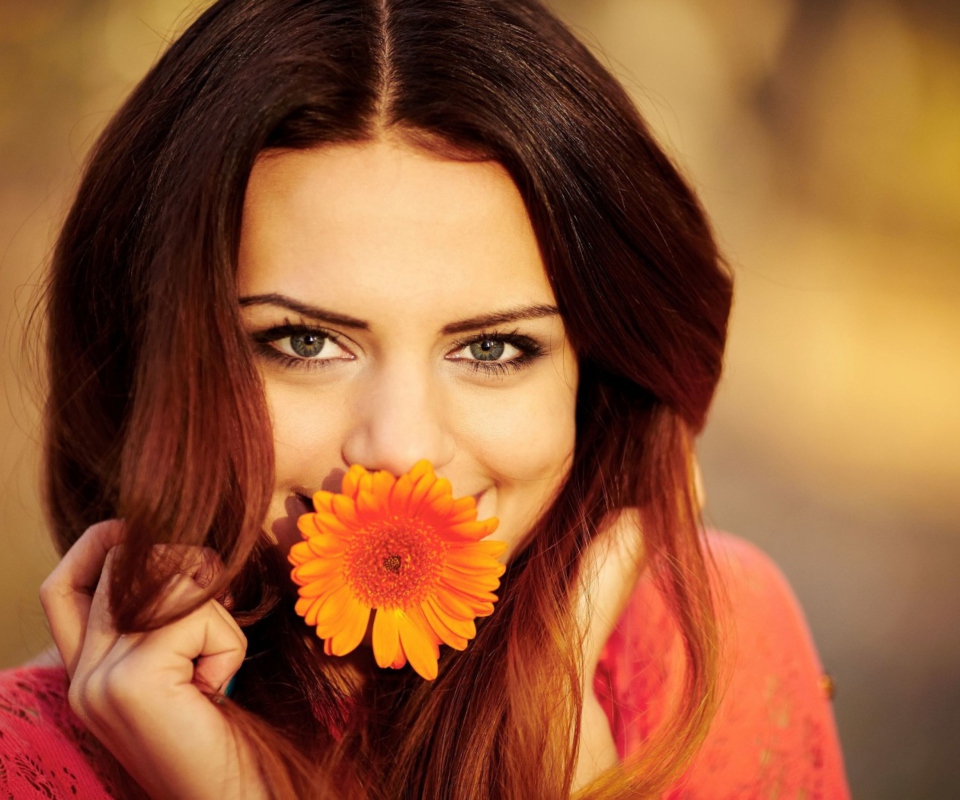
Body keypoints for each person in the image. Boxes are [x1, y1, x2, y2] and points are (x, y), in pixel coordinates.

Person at [0, 0, 850, 797]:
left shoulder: (710, 647)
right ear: (155, 353)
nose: (401, 452)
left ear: (599, 375)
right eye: (305, 343)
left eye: (493, 348)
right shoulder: (29, 762)